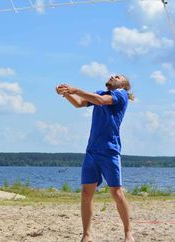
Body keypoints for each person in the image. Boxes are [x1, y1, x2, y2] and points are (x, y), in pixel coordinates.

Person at [56, 75, 135, 242]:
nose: (112, 76)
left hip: (110, 151)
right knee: (86, 193)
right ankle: (86, 235)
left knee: (117, 193)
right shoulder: (101, 93)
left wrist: (76, 89)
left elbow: (99, 100)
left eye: (118, 76)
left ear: (124, 84)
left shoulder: (121, 94)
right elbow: (79, 103)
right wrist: (66, 94)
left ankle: (128, 233)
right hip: (92, 151)